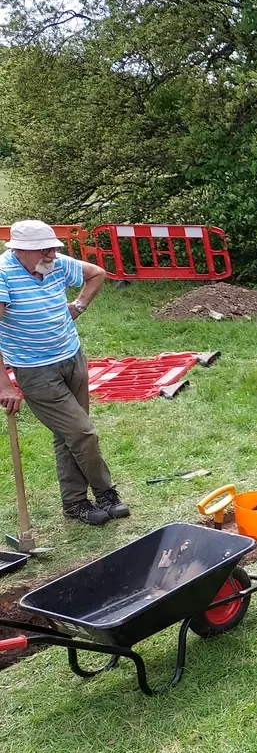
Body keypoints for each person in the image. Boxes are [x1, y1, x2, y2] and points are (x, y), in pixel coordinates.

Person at [0, 220, 129, 526]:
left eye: (53, 248)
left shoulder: (54, 265)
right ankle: (105, 492)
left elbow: (97, 273)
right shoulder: (3, 275)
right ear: (21, 250)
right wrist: (4, 385)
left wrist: (79, 305)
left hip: (72, 357)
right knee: (83, 433)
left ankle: (75, 504)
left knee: (70, 434)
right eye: (44, 250)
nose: (52, 255)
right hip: (35, 370)